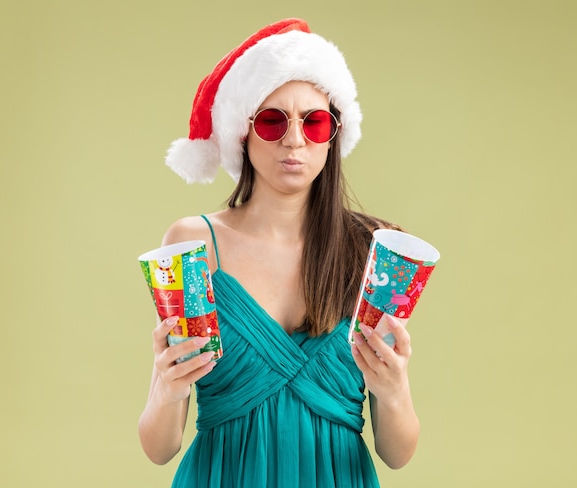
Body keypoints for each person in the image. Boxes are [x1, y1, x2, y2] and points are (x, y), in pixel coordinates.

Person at [138, 18, 420, 488]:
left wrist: (394, 391)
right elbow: (159, 448)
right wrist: (166, 389)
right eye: (272, 121)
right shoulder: (192, 245)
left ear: (333, 134)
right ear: (242, 134)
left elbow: (397, 454)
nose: (294, 140)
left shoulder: (378, 254)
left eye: (314, 121)